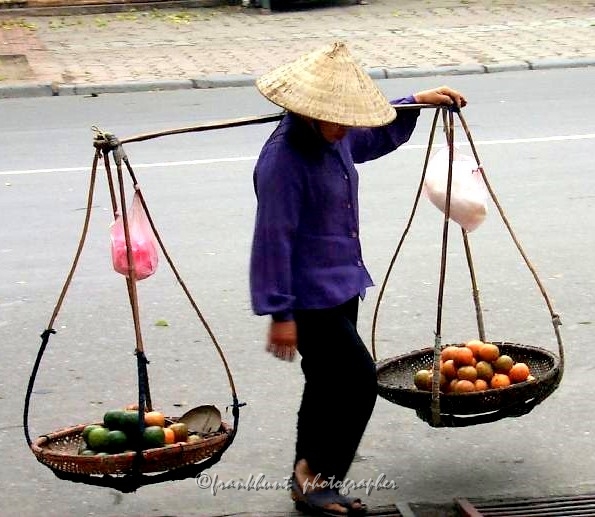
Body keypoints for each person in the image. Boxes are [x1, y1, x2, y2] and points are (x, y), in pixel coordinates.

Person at [249, 41, 466, 516]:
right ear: (308, 113)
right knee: (356, 380)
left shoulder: (335, 133)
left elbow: (372, 138)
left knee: (325, 381)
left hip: (344, 281)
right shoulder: (282, 163)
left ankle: (304, 476)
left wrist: (415, 102)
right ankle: (321, 479)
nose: (347, 128)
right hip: (307, 296)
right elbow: (272, 240)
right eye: (339, 120)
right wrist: (280, 312)